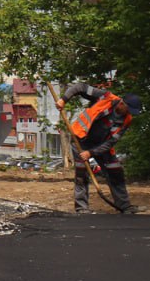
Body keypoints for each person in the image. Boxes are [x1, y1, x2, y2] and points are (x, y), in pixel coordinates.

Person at [56, 83, 144, 214]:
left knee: (115, 171)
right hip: (81, 139)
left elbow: (111, 141)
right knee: (82, 174)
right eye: (129, 110)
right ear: (122, 104)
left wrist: (91, 153)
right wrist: (64, 99)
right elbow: (80, 87)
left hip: (101, 145)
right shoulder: (105, 97)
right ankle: (81, 208)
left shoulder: (127, 119)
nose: (130, 114)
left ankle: (124, 206)